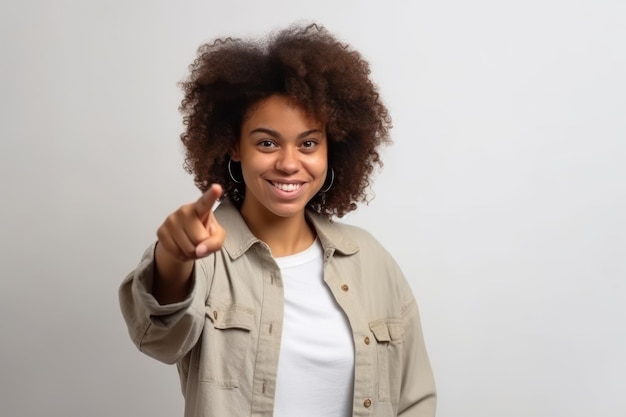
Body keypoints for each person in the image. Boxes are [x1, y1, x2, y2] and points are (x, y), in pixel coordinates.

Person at [119, 23, 436, 417]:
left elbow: (414, 398)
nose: (289, 164)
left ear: (330, 149)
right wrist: (174, 257)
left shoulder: (369, 260)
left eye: (308, 143)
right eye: (267, 143)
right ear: (234, 146)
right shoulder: (206, 256)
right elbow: (158, 338)